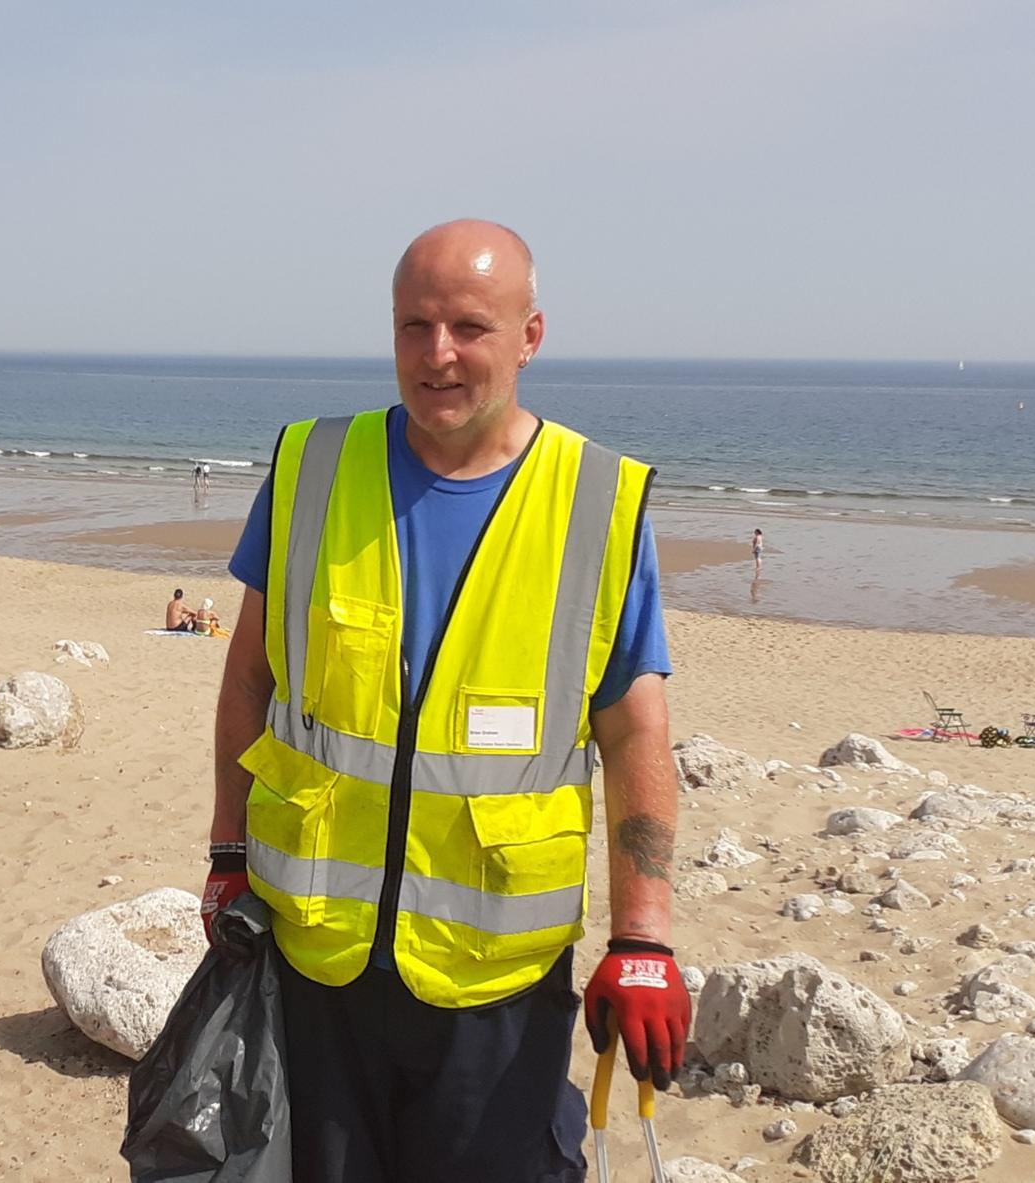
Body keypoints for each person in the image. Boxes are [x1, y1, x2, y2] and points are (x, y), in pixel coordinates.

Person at [199, 220, 686, 1181]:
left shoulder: (597, 502)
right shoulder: (311, 468)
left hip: (496, 987)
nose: (438, 354)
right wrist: (225, 852)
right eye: (414, 325)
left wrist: (642, 939)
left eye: (470, 325)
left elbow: (635, 732)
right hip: (317, 963)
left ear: (530, 336)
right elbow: (250, 679)